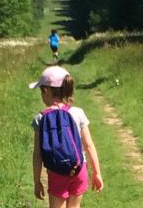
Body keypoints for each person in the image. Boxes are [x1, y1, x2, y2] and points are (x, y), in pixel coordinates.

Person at [29, 65, 103, 208]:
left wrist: (37, 181)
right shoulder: (78, 113)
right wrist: (97, 173)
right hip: (78, 169)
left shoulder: (40, 118)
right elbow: (89, 145)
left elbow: (37, 154)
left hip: (56, 172)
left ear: (46, 91)